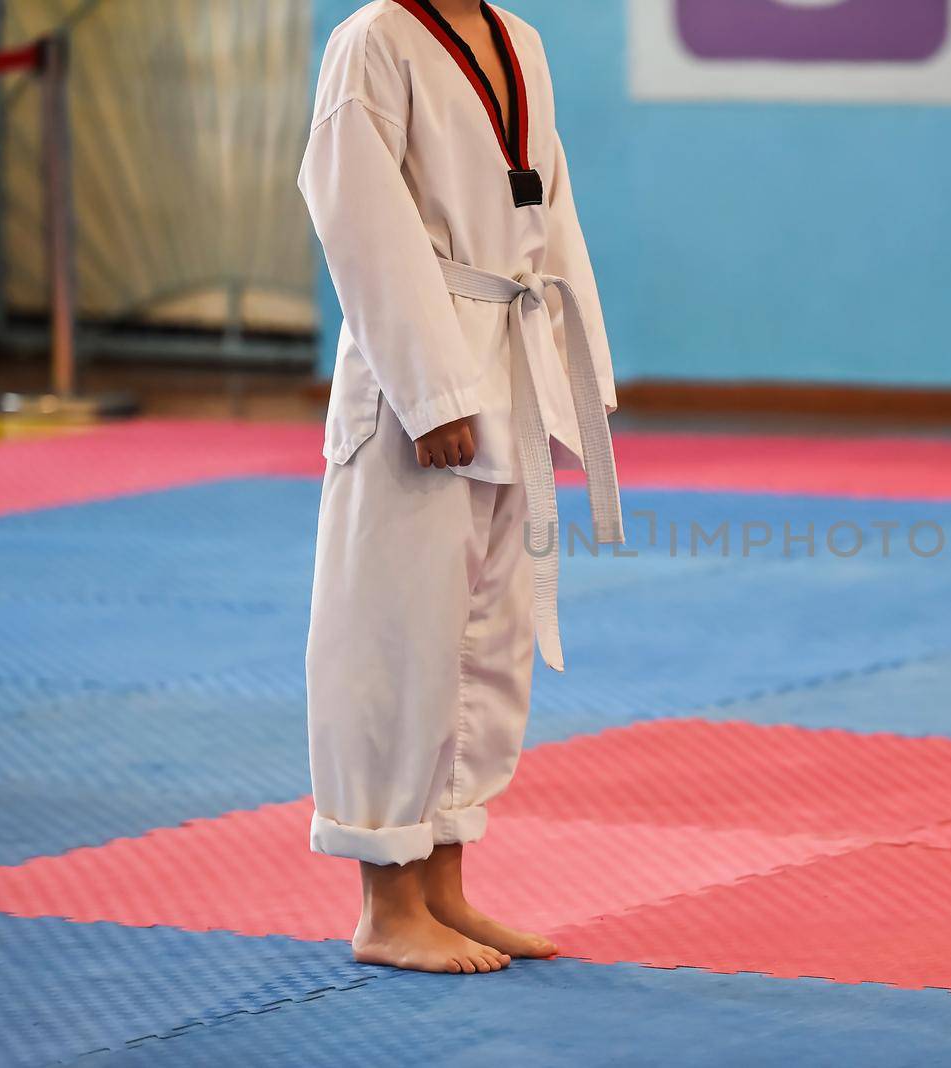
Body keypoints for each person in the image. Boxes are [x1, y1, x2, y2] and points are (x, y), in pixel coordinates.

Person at [298, 0, 622, 972]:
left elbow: (550, 218)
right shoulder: (373, 41)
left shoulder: (520, 41)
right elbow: (356, 215)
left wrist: (577, 378)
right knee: (398, 634)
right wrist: (428, 387)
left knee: (484, 635)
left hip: (509, 352)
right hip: (415, 381)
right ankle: (384, 907)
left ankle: (444, 886)